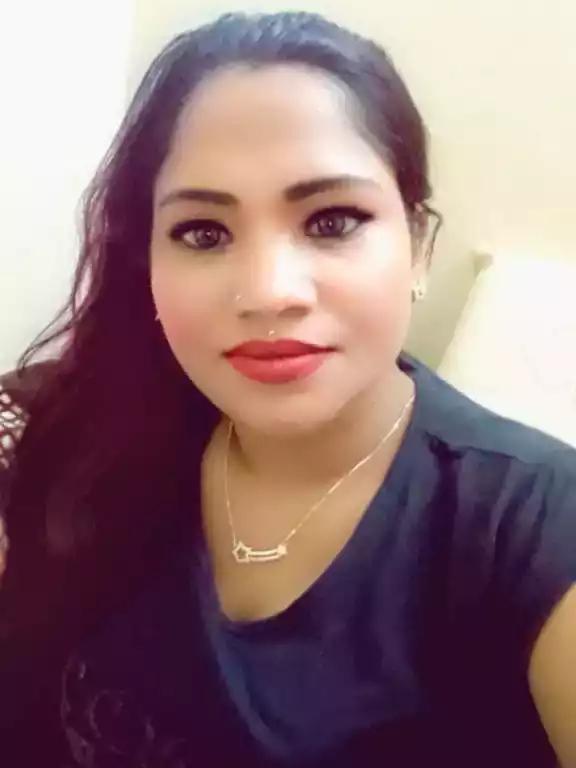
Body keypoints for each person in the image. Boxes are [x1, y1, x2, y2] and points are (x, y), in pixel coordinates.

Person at [0, 11, 575, 767]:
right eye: (203, 233)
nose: (270, 291)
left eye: (332, 221)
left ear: (419, 246)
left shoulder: (531, 531)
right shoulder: (93, 436)